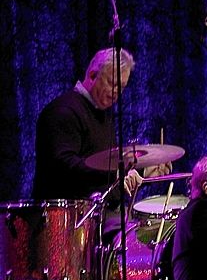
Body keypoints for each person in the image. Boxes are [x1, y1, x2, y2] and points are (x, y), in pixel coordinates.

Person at [32, 47, 169, 230]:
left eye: (122, 87)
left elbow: (105, 168)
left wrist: (144, 172)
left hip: (100, 216)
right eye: (112, 83)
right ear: (92, 75)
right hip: (69, 224)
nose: (116, 92)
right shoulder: (63, 111)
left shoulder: (103, 115)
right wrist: (117, 174)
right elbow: (63, 165)